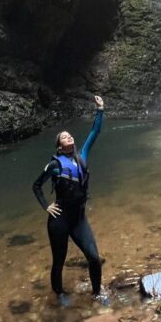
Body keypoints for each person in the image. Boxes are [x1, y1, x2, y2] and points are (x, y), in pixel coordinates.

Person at [32, 95, 105, 302]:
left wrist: (100, 109)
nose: (69, 137)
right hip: (60, 220)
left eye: (69, 135)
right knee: (59, 261)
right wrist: (46, 206)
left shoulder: (82, 155)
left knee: (94, 258)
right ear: (59, 146)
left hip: (79, 218)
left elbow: (95, 132)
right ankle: (60, 294)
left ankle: (98, 293)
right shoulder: (54, 166)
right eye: (64, 137)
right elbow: (36, 186)